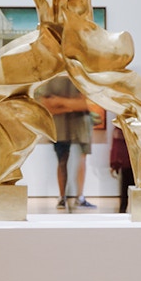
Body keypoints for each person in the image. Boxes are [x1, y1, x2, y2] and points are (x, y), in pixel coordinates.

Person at [37, 74, 96, 209]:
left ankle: (79, 197)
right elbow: (47, 105)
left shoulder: (82, 76)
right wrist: (72, 105)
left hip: (80, 127)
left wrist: (59, 101)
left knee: (80, 160)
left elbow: (87, 104)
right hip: (61, 127)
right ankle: (63, 196)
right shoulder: (52, 77)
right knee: (62, 160)